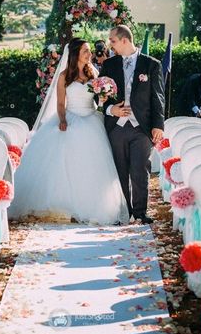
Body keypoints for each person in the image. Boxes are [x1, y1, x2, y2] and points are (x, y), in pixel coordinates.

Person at [9, 38, 129, 225]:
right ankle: (65, 206)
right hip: (71, 117)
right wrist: (63, 120)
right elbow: (59, 103)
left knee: (91, 165)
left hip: (91, 120)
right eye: (85, 51)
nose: (89, 54)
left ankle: (92, 205)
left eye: (89, 51)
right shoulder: (65, 76)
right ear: (75, 55)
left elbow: (98, 101)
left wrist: (105, 96)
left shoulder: (93, 73)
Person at [100, 25, 165, 224]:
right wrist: (112, 110)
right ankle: (123, 212)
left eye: (112, 41)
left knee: (140, 170)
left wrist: (158, 125)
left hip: (142, 128)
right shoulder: (109, 65)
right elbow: (100, 97)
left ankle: (140, 213)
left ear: (124, 40)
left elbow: (158, 97)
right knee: (119, 170)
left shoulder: (151, 65)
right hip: (116, 127)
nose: (110, 45)